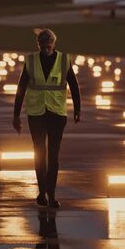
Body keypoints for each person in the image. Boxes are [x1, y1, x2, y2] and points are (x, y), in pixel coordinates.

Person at [12, 28, 81, 208]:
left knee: (53, 156)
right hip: (36, 114)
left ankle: (51, 193)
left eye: (49, 45)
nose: (46, 49)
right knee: (39, 153)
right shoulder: (31, 61)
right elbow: (21, 88)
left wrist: (77, 109)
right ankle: (42, 192)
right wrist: (16, 115)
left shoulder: (64, 60)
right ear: (38, 45)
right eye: (43, 46)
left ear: (54, 44)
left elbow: (74, 85)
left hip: (57, 114)